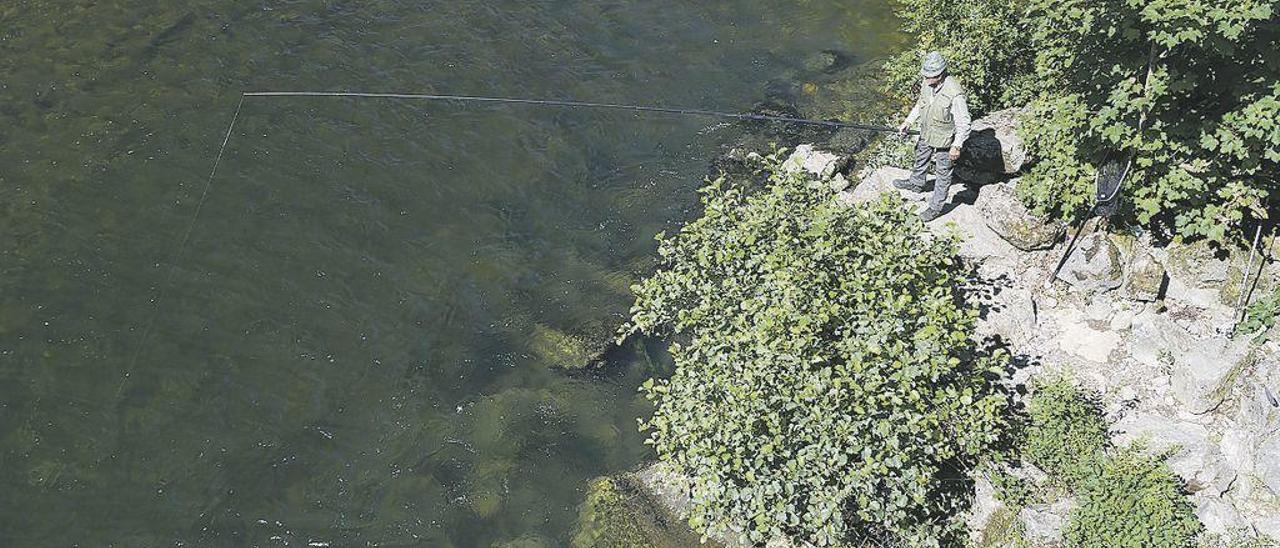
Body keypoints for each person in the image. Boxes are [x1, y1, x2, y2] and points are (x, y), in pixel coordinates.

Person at [894, 51, 972, 222]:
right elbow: (919, 104)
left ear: (941, 74)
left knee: (943, 173)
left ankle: (936, 207)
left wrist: (957, 145)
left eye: (931, 76)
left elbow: (964, 122)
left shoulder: (955, 93)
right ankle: (916, 183)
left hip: (946, 138)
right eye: (926, 75)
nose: (927, 79)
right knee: (921, 155)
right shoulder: (927, 83)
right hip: (927, 130)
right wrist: (908, 122)